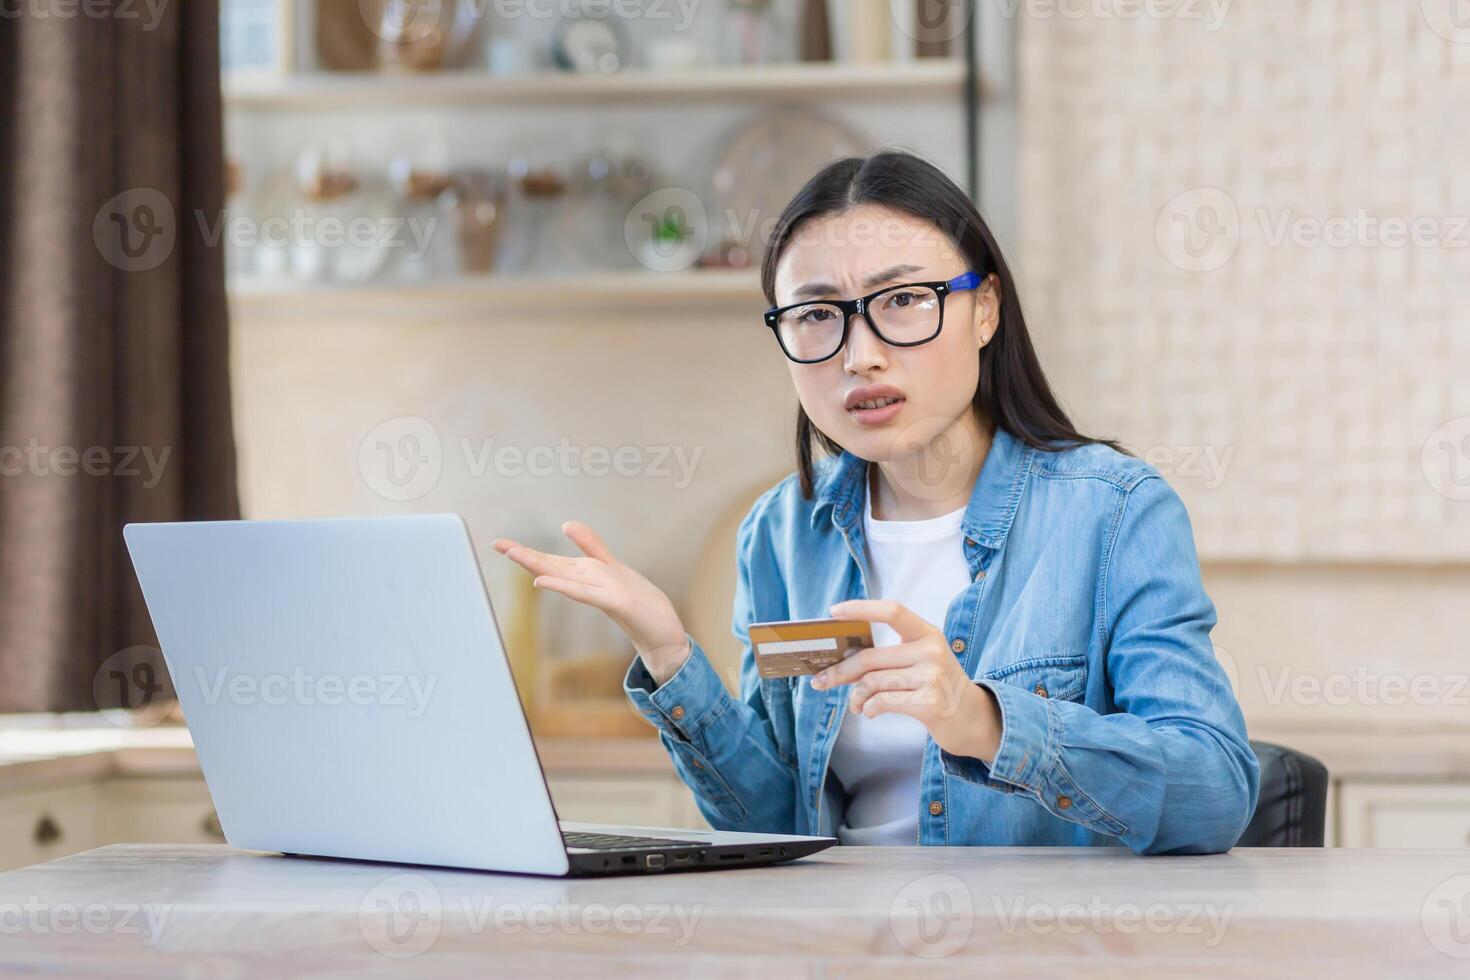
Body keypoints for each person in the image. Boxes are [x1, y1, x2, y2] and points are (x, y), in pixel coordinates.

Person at [494, 151, 1258, 854]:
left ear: (984, 309)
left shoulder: (1115, 513)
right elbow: (774, 823)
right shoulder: (782, 532)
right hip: (838, 946)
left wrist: (985, 722)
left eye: (902, 300)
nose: (861, 354)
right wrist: (667, 653)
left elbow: (1216, 792)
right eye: (818, 314)